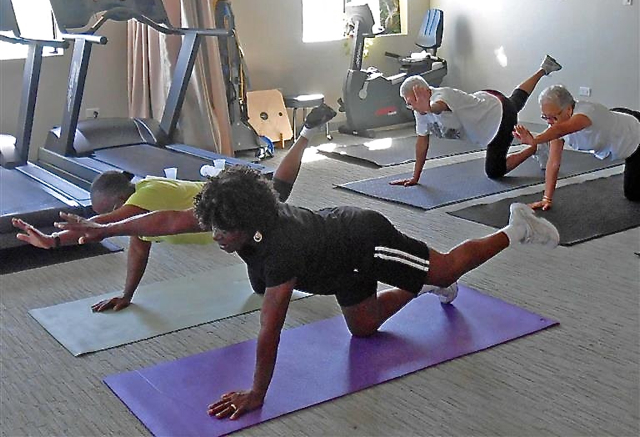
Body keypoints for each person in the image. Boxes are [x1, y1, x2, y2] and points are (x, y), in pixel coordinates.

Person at [52, 165, 560, 421]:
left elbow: (270, 329)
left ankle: (516, 229)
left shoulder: (279, 253)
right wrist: (99, 229)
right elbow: (164, 218)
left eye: (221, 234)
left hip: (364, 241)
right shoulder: (234, 217)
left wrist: (257, 394)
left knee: (443, 263)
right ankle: (429, 285)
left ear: (249, 230)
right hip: (336, 263)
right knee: (363, 330)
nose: (214, 238)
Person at [12, 103, 337, 311]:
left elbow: (101, 227)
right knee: (260, 275)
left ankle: (307, 135)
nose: (106, 217)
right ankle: (307, 135)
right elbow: (138, 251)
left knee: (277, 203)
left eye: (107, 210)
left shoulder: (145, 198)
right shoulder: (141, 219)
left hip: (236, 205)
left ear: (119, 202)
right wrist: (127, 295)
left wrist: (55, 240)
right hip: (226, 226)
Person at [391, 55, 562, 186]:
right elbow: (422, 143)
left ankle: (536, 146)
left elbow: (440, 106)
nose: (409, 107)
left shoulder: (442, 96)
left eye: (409, 102)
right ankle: (543, 69)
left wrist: (428, 108)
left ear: (419, 94)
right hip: (487, 102)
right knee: (515, 101)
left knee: (495, 171)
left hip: (498, 118)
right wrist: (415, 177)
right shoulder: (419, 110)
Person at [514, 85, 640, 209]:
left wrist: (535, 140)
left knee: (634, 195)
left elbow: (560, 130)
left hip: (636, 134)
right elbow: (553, 163)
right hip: (618, 127)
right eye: (545, 117)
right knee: (632, 193)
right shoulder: (555, 127)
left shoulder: (587, 113)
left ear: (568, 110)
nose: (549, 121)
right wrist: (546, 199)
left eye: (553, 117)